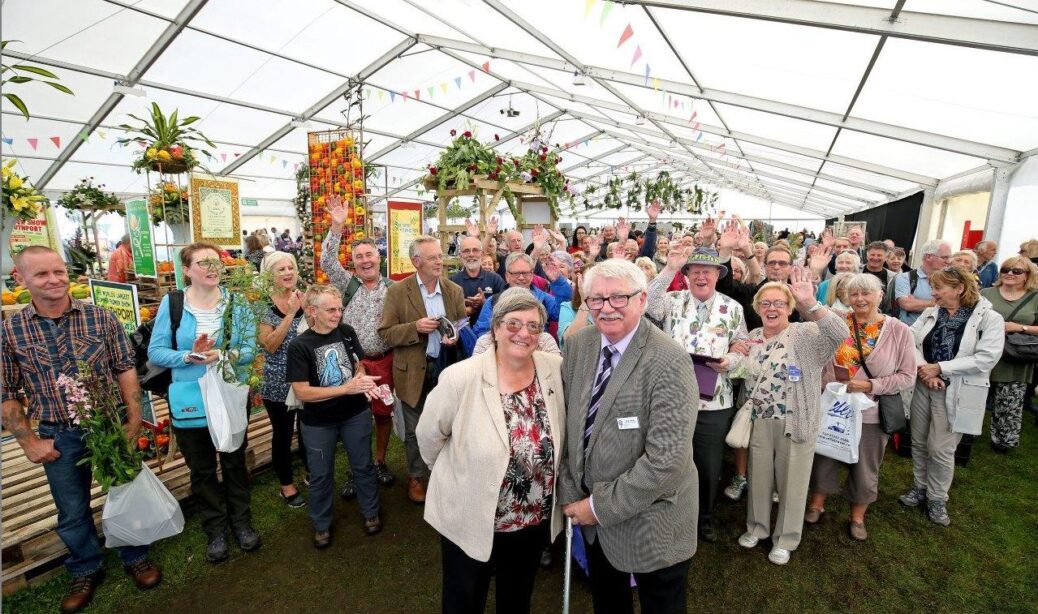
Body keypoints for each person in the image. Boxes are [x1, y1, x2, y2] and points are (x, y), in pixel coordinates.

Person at [2, 246, 161, 612]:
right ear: (20, 279)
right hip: (57, 432)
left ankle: (135, 554)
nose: (54, 279)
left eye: (58, 271)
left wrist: (134, 420)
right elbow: (6, 392)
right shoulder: (10, 330)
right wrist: (28, 442)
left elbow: (125, 369)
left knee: (123, 492)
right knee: (72, 508)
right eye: (41, 274)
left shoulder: (100, 318)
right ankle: (86, 566)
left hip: (107, 426)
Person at [557, 259, 699, 614]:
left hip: (653, 521)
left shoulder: (669, 360)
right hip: (595, 526)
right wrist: (572, 490)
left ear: (641, 300)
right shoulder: (578, 346)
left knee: (661, 605)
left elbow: (666, 461)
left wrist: (596, 507)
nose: (606, 308)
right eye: (596, 299)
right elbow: (570, 427)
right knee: (607, 601)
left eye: (618, 298)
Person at [418, 288, 565, 613]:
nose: (523, 333)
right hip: (471, 514)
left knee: (516, 599)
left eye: (532, 326)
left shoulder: (552, 369)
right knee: (464, 600)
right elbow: (429, 437)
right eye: (513, 324)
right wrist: (456, 474)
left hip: (530, 519)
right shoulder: (461, 377)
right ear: (496, 327)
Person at [149, 242, 259, 563]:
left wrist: (221, 355)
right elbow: (156, 352)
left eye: (216, 262)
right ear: (186, 270)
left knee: (234, 462)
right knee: (202, 468)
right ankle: (216, 529)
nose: (212, 268)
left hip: (228, 395)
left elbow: (251, 349)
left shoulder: (236, 303)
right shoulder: (173, 304)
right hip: (190, 398)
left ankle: (242, 523)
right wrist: (187, 356)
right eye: (202, 263)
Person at [735, 269, 848, 565]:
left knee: (793, 483)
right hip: (759, 419)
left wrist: (811, 302)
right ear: (757, 308)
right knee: (759, 478)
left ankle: (785, 539)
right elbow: (742, 373)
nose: (772, 309)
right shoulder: (753, 336)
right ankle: (757, 528)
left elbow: (840, 333)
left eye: (779, 303)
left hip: (795, 421)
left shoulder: (806, 333)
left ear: (790, 307)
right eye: (766, 303)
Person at [647, 247, 747, 543]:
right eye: (695, 271)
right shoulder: (671, 300)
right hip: (671, 398)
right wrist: (669, 269)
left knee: (707, 464)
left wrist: (730, 362)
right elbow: (647, 305)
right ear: (687, 275)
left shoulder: (733, 308)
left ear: (718, 275)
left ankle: (703, 517)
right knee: (668, 459)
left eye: (708, 271)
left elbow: (743, 346)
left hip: (714, 401)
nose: (701, 276)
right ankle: (669, 514)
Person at [806, 274, 916, 541]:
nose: (860, 299)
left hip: (871, 412)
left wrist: (870, 386)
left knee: (866, 466)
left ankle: (857, 517)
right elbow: (808, 309)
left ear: (880, 296)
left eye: (867, 294)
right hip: (833, 407)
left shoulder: (899, 330)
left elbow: (907, 375)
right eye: (854, 294)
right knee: (824, 456)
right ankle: (816, 504)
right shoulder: (838, 322)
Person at [900, 267, 1003, 526]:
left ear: (959, 289)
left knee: (942, 447)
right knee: (920, 441)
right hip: (925, 384)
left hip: (957, 388)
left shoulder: (989, 318)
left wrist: (941, 368)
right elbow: (909, 342)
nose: (933, 293)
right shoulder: (932, 312)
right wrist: (926, 369)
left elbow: (986, 357)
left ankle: (937, 498)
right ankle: (919, 487)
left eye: (939, 288)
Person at [287, 285, 383, 548]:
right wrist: (346, 388)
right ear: (313, 311)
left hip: (355, 413)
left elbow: (358, 364)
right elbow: (302, 392)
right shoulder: (299, 345)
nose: (338, 314)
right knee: (320, 474)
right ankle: (321, 524)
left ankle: (371, 511)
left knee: (363, 465)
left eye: (340, 308)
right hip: (319, 422)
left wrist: (362, 379)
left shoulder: (347, 332)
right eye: (331, 309)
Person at [378, 236, 466, 504]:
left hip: (446, 369)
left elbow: (461, 325)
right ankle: (416, 477)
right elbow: (385, 333)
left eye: (440, 256)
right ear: (416, 262)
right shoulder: (397, 291)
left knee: (451, 425)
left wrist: (456, 337)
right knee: (416, 429)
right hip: (413, 372)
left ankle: (448, 475)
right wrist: (415, 328)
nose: (439, 261)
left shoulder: (453, 290)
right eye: (432, 258)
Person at [322, 195, 398, 492]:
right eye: (359, 258)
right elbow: (327, 260)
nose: (365, 260)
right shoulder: (347, 284)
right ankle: (358, 469)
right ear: (353, 264)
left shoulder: (394, 288)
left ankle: (378, 462)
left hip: (385, 360)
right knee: (355, 418)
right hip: (355, 363)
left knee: (382, 413)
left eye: (369, 255)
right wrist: (336, 226)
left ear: (379, 257)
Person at [257, 251, 308, 508]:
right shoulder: (262, 305)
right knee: (284, 433)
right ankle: (287, 485)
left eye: (291, 268)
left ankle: (311, 470)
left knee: (309, 428)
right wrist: (290, 314)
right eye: (281, 269)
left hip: (307, 378)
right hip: (278, 382)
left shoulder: (304, 296)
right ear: (269, 275)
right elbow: (270, 345)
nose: (288, 273)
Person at [980, 257, 1038, 453]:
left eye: (1017, 271)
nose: (1010, 274)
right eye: (1006, 269)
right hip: (984, 354)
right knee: (974, 398)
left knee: (1009, 401)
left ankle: (1003, 441)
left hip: (1015, 356)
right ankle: (964, 435)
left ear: (1027, 276)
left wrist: (1020, 327)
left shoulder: (1035, 297)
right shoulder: (986, 293)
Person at [473, 252, 569, 339]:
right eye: (516, 273)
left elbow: (563, 312)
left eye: (525, 273)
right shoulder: (493, 302)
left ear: (532, 274)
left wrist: (558, 282)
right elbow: (482, 332)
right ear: (507, 276)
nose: (521, 277)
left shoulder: (543, 299)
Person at [451, 234, 506, 328]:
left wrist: (484, 302)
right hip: (460, 338)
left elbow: (505, 308)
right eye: (466, 251)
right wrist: (464, 304)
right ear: (460, 256)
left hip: (489, 334)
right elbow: (448, 313)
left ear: (482, 254)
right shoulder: (452, 282)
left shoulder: (496, 279)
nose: (471, 254)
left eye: (475, 250)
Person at [894, 239, 951, 326]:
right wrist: (938, 303)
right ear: (928, 257)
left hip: (938, 333)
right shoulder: (905, 277)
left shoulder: (950, 280)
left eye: (949, 257)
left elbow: (954, 305)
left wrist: (917, 303)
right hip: (911, 333)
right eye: (944, 257)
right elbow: (906, 304)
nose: (948, 261)